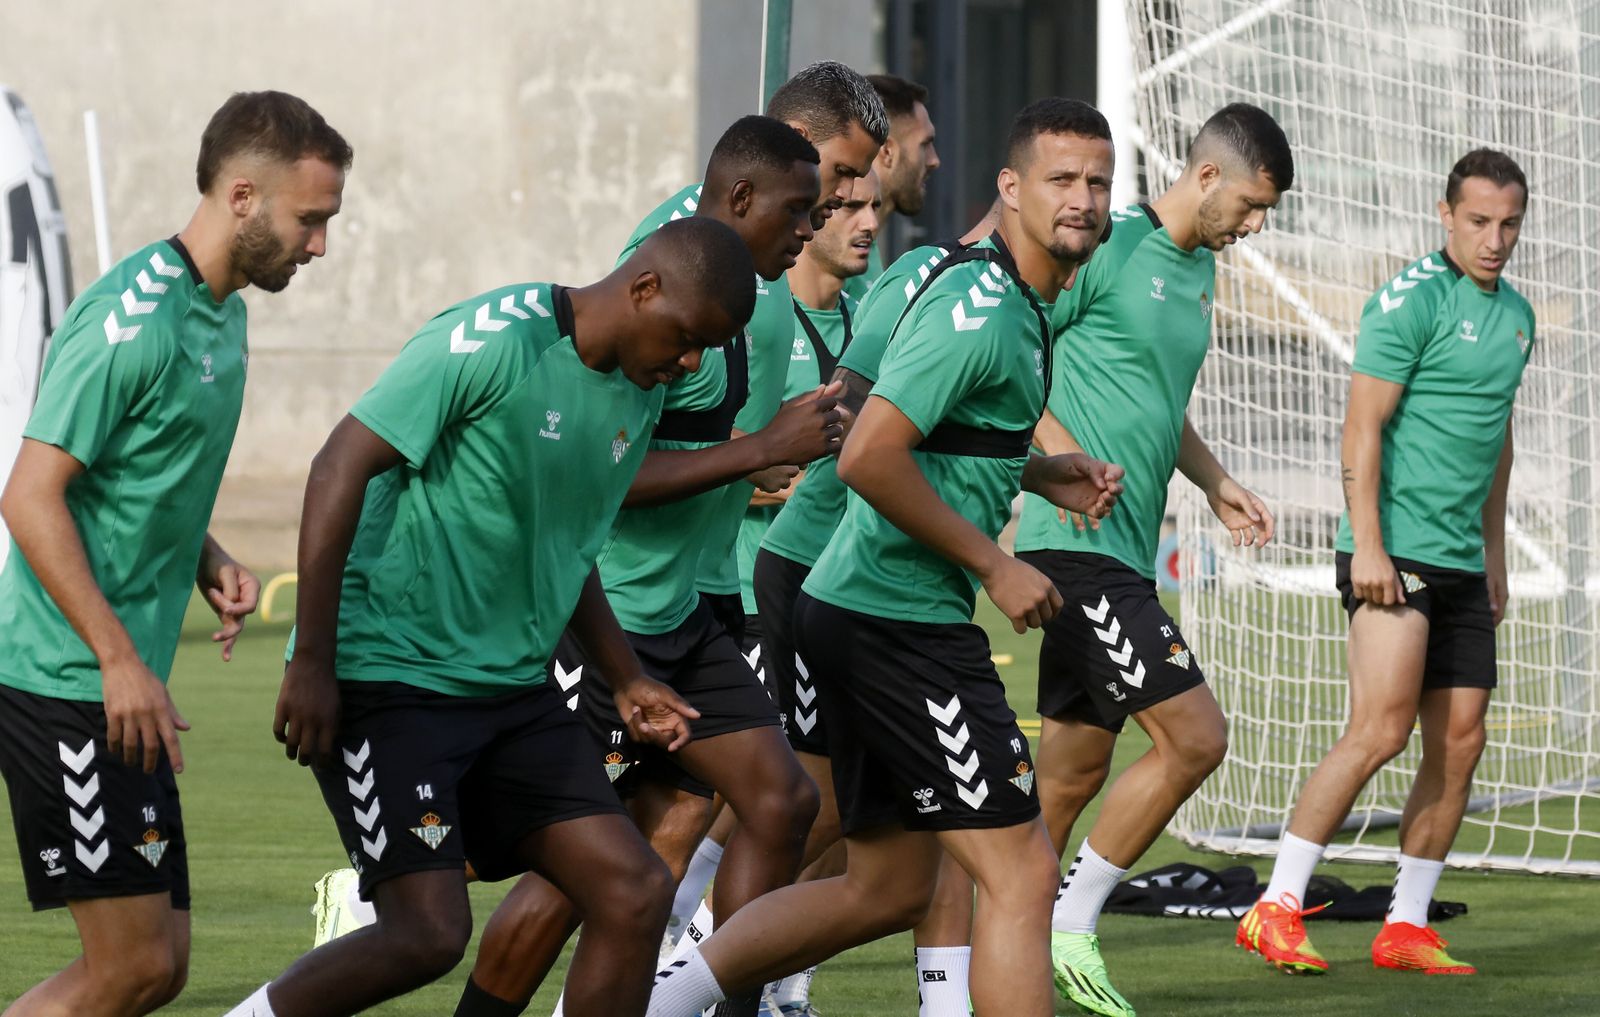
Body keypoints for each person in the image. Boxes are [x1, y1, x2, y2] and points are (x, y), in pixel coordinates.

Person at [645, 97, 1123, 1017]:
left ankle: (656, 1005)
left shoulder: (1013, 302)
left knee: (887, 884)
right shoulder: (981, 307)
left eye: (1098, 182)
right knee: (1020, 870)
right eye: (1062, 179)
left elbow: (923, 432)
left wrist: (1039, 470)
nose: (1084, 199)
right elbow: (867, 452)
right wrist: (996, 564)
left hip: (871, 608)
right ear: (1011, 188)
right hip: (893, 617)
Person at [226, 216, 758, 1017]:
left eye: (704, 351)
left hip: (511, 688)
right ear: (645, 288)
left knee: (633, 888)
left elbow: (568, 542)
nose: (689, 364)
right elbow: (340, 462)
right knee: (427, 932)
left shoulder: (637, 390)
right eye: (687, 338)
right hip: (390, 674)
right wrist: (313, 660)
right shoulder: (497, 339)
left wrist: (625, 678)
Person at [455, 114, 851, 1017]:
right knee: (574, 869)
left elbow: (710, 440)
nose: (817, 224)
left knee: (772, 802)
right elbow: (601, 479)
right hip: (615, 617)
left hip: (689, 608)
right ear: (741, 196)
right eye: (805, 206)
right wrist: (757, 451)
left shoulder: (753, 283)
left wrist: (761, 455)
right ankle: (383, 900)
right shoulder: (667, 278)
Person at [0, 90, 350, 1017]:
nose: (320, 245)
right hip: (68, 680)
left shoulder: (224, 314)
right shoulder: (132, 319)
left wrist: (208, 557)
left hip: (127, 685)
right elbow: (29, 496)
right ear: (242, 197)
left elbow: (136, 475)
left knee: (160, 967)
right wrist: (118, 659)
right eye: (309, 219)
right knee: (127, 967)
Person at [1015, 102, 1293, 1017]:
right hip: (1073, 547)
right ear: (1206, 176)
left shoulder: (1200, 271)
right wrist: (1063, 456)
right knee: (1197, 737)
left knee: (1069, 778)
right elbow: (1012, 360)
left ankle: (987, 953)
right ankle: (1069, 923)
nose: (1254, 226)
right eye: (1250, 205)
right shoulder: (1113, 245)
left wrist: (1214, 482)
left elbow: (1157, 402)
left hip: (1126, 551)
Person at [1236, 148, 1533, 978]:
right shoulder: (1410, 300)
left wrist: (1496, 551)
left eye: (1510, 224)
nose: (1495, 239)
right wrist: (1367, 544)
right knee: (1380, 730)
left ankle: (1405, 925)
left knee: (1461, 742)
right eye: (1479, 221)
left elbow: (1497, 435)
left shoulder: (1518, 316)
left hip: (1463, 559)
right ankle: (1275, 906)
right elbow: (1361, 425)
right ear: (1447, 216)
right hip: (1394, 547)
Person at [843, 73, 940, 302]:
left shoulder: (866, 247)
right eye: (925, 144)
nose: (934, 160)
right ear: (887, 152)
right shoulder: (836, 251)